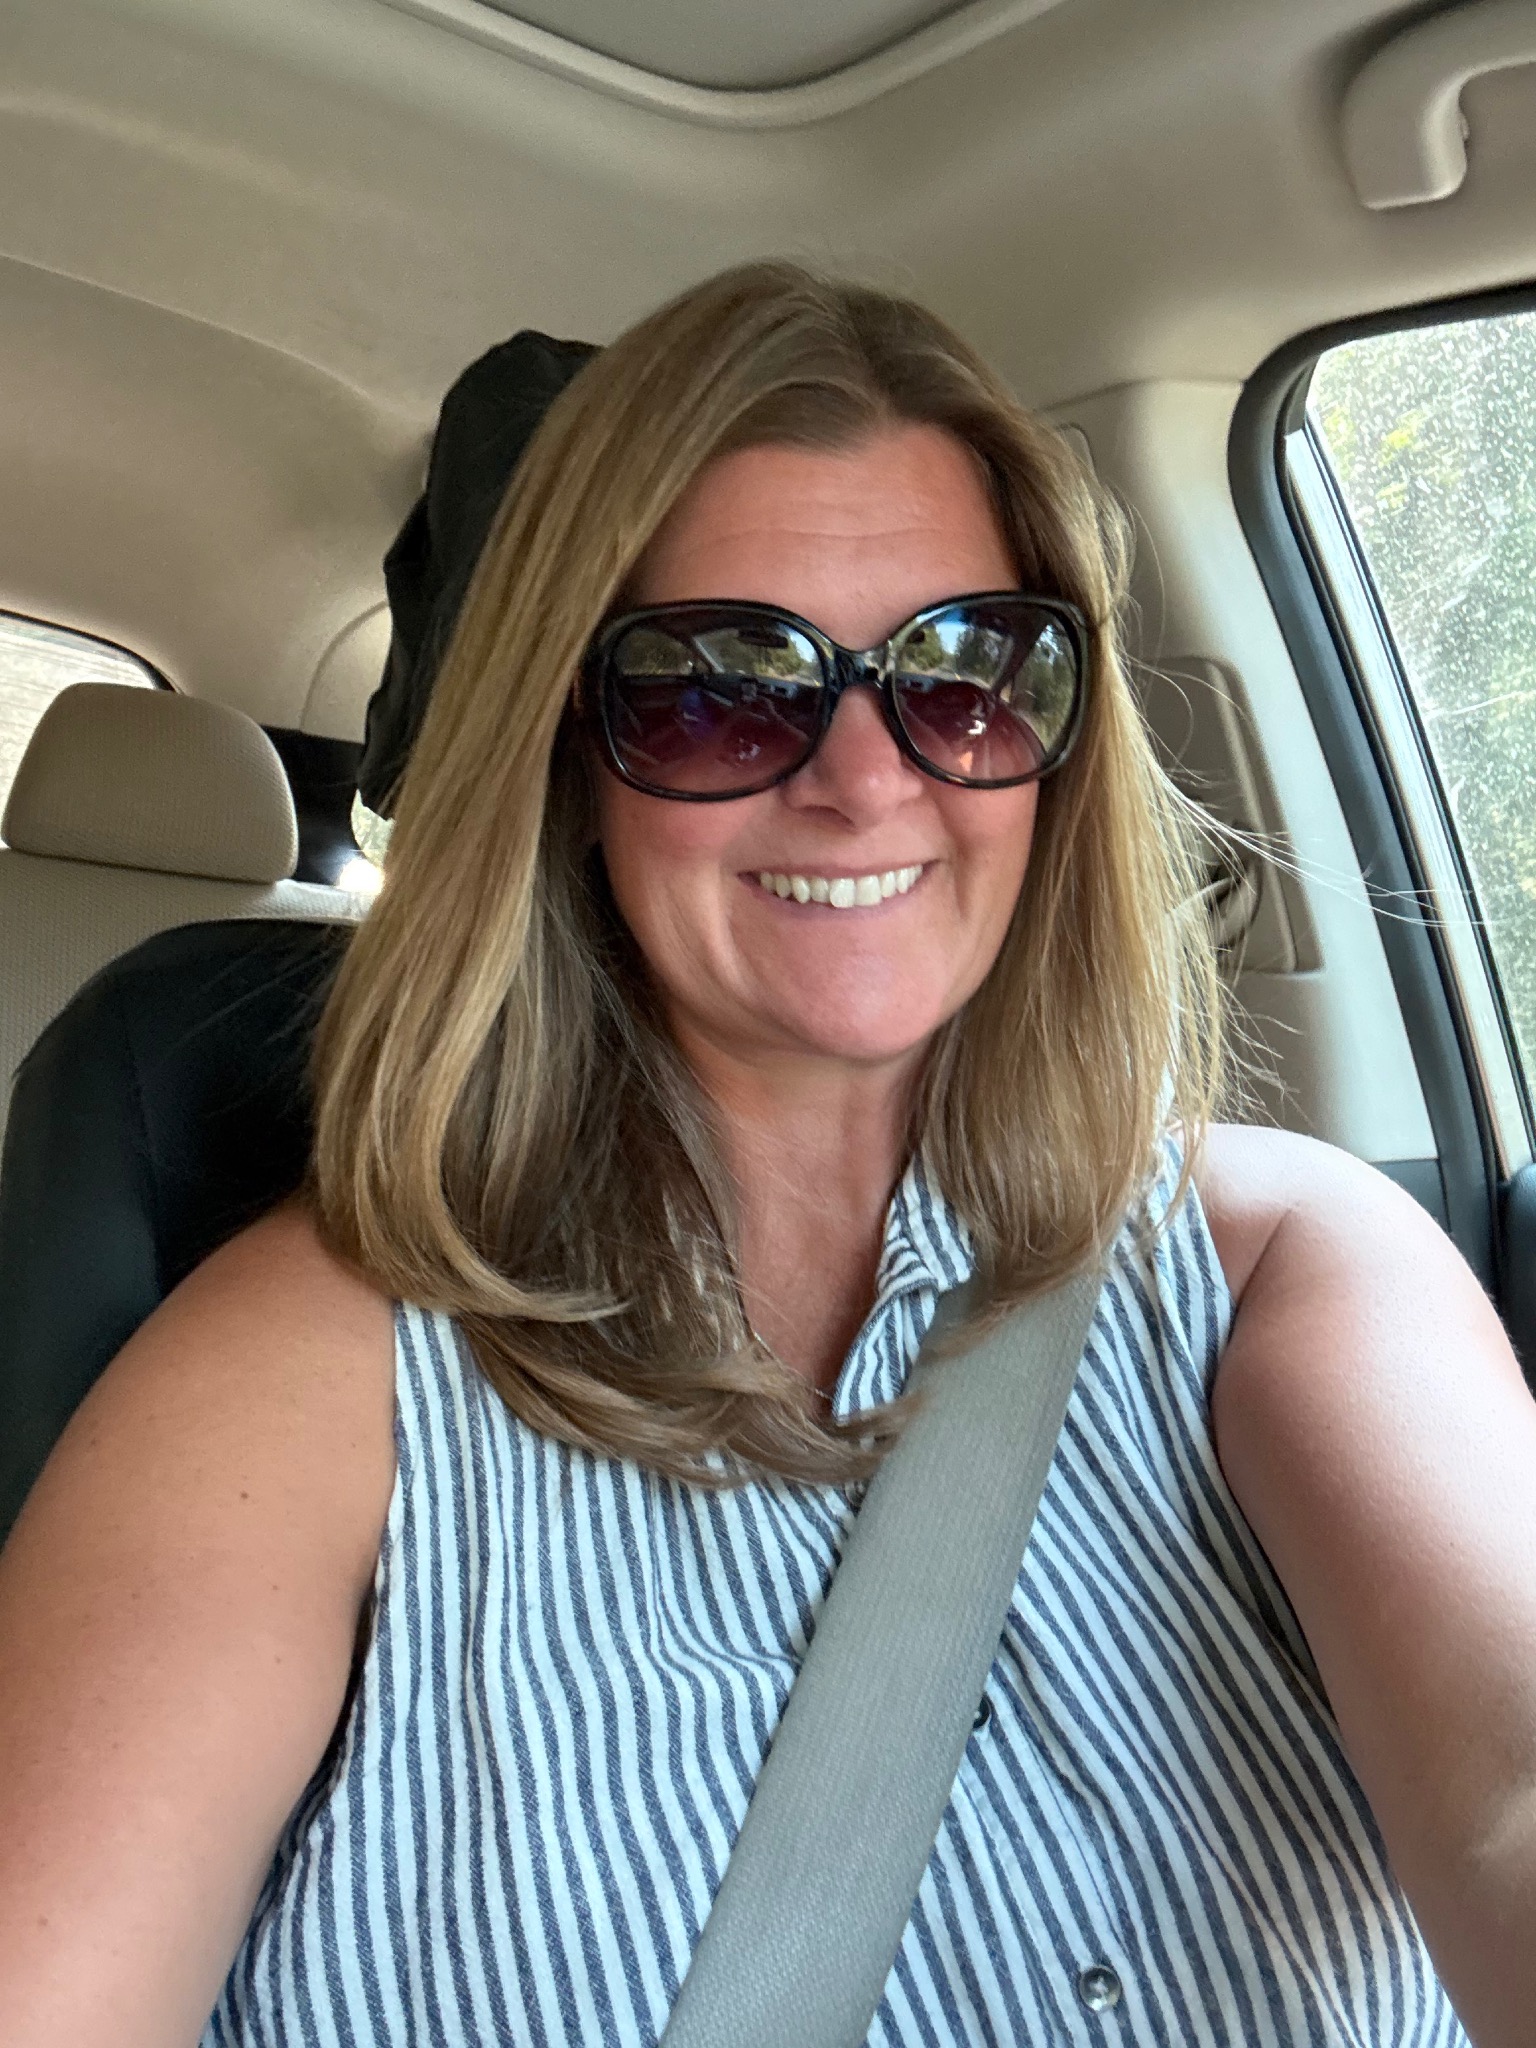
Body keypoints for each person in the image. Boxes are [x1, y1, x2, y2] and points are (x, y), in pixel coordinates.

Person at [0, 261, 1532, 2048]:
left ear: (1062, 740)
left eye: (966, 673)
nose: (868, 782)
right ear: (567, 760)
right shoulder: (306, 1387)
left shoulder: (1289, 1266)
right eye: (720, 689)